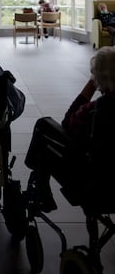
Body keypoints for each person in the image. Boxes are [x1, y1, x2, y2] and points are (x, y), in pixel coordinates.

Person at [25, 46, 115, 212]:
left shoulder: (94, 111)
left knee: (44, 126)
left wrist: (91, 85)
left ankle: (40, 181)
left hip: (94, 186)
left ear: (99, 79)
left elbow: (67, 124)